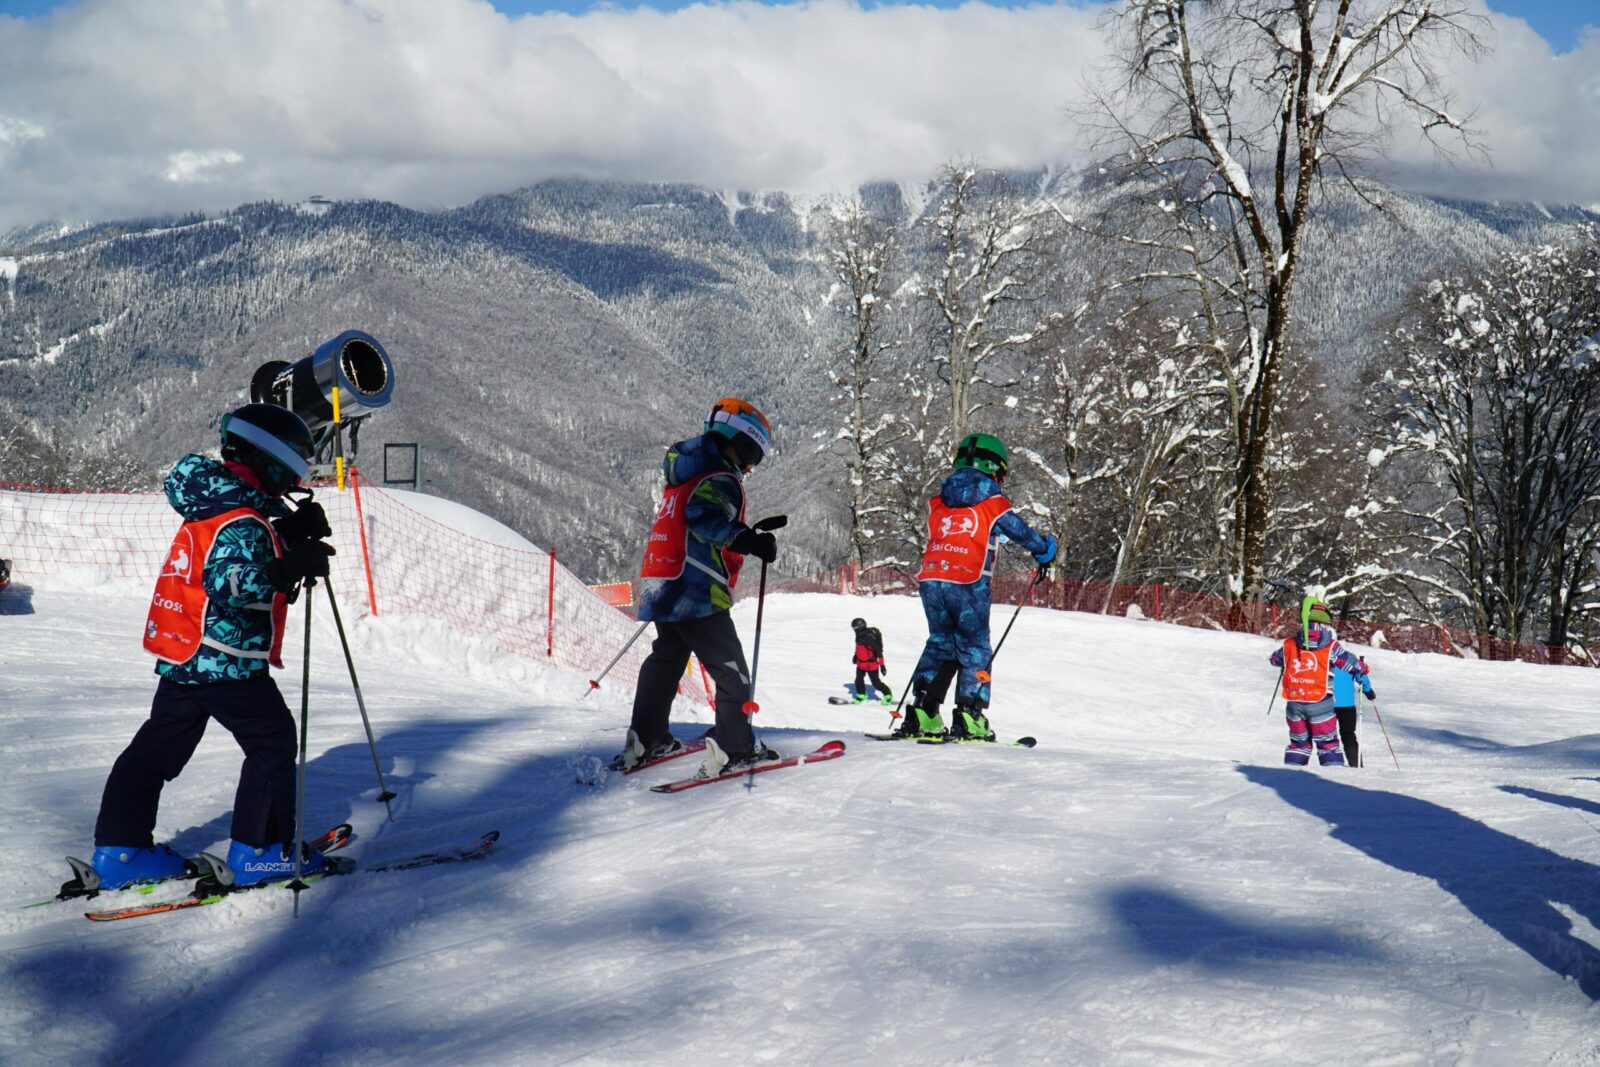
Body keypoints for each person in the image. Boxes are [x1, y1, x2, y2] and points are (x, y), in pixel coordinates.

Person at [87, 403, 340, 890]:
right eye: (294, 466)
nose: (297, 478)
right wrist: (285, 569)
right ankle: (259, 852)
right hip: (226, 660)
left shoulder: (213, 501)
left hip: (184, 653)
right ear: (272, 459)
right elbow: (228, 580)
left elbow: (233, 541)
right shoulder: (242, 517)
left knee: (156, 750)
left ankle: (122, 850)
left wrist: (286, 536)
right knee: (273, 742)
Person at [613, 398, 781, 778]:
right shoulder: (719, 477)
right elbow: (705, 518)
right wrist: (749, 540)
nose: (750, 467)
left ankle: (647, 738)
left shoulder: (685, 472)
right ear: (743, 443)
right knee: (732, 671)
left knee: (667, 658)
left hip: (662, 581)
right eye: (753, 457)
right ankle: (735, 748)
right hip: (695, 589)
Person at [899, 433, 1056, 741]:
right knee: (974, 646)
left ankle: (923, 712)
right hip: (969, 582)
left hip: (932, 579)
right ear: (994, 468)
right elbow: (1020, 532)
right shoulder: (993, 502)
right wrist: (1044, 549)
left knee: (941, 643)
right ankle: (970, 715)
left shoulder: (938, 501)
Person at [1269, 598, 1374, 767]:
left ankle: (1291, 775)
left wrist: (1285, 660)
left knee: (1298, 743)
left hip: (1295, 702)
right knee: (1328, 744)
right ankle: (1332, 780)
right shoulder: (1330, 646)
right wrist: (1362, 667)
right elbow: (1350, 663)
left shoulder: (1290, 643)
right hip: (1321, 702)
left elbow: (1274, 659)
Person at [1331, 652, 1369, 768]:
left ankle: (1331, 763)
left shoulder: (1324, 657)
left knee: (1327, 736)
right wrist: (1368, 691)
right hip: (1347, 705)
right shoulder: (1350, 660)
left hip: (1326, 703)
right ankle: (1356, 764)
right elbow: (1361, 676)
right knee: (1348, 735)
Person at [849, 617, 893, 705]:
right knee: (858, 680)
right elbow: (859, 647)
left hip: (871, 664)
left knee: (876, 683)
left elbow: (878, 652)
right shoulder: (859, 636)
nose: (854, 630)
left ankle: (887, 693)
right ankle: (861, 695)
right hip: (861, 663)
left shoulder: (869, 638)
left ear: (859, 627)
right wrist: (855, 656)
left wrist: (882, 666)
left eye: (855, 628)